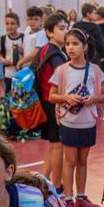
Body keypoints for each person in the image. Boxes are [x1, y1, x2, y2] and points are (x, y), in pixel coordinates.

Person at [49, 28, 104, 207]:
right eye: (67, 44)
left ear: (84, 47)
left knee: (83, 160)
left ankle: (81, 197)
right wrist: (66, 97)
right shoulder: (62, 70)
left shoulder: (95, 70)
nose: (70, 48)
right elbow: (52, 96)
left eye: (75, 44)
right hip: (69, 122)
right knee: (70, 160)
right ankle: (68, 199)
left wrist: (94, 99)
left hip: (87, 123)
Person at [34, 13, 70, 190]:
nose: (66, 32)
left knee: (52, 145)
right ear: (49, 32)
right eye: (61, 29)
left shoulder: (44, 50)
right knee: (58, 147)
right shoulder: (56, 55)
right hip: (54, 104)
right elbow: (63, 79)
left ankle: (44, 180)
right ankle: (56, 185)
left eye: (67, 28)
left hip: (45, 102)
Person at [0, 11, 25, 82]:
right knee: (8, 92)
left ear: (18, 25)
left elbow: (28, 53)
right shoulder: (3, 39)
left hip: (22, 72)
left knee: (20, 92)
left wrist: (21, 51)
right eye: (7, 24)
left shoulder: (24, 38)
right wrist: (2, 59)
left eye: (12, 24)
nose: (9, 26)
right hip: (8, 73)